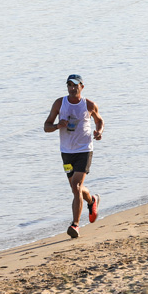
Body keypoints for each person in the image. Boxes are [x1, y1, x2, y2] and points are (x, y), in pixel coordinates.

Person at [44, 74, 103, 239]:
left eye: (75, 85)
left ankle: (75, 225)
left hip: (84, 150)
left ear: (82, 87)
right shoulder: (59, 103)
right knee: (75, 188)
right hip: (66, 152)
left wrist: (99, 132)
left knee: (76, 185)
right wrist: (57, 126)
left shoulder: (89, 104)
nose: (72, 88)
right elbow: (46, 126)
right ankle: (91, 200)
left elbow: (99, 121)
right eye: (69, 85)